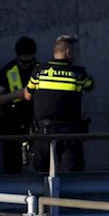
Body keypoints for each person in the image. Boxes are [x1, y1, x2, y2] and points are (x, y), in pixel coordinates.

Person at [24, 35, 94, 173]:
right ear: (68, 52)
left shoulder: (39, 71)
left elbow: (27, 95)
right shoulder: (78, 73)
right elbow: (90, 86)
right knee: (71, 175)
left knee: (39, 174)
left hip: (43, 131)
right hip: (69, 133)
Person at [0, 36, 39, 174]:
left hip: (35, 122)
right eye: (23, 62)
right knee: (12, 164)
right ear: (17, 56)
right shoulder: (7, 71)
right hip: (13, 123)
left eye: (30, 61)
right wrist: (17, 95)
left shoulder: (40, 70)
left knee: (38, 162)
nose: (27, 65)